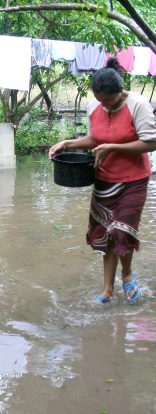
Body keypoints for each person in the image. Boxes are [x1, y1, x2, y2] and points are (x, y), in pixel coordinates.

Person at [49, 58, 156, 304]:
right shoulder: (94, 106)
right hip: (104, 180)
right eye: (99, 100)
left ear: (121, 91)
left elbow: (151, 142)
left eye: (108, 100)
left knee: (121, 231)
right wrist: (67, 143)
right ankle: (107, 291)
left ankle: (127, 275)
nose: (104, 105)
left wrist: (113, 147)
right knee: (106, 234)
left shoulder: (138, 105)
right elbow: (95, 139)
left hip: (133, 181)